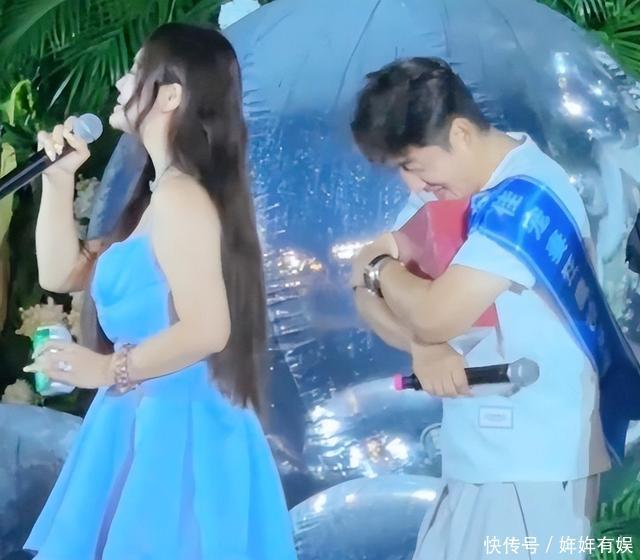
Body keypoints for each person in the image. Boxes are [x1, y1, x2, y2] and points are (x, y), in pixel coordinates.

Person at [22, 23, 297, 560]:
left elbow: (208, 329)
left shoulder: (181, 197)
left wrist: (108, 369)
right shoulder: (156, 196)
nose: (121, 83)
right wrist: (58, 182)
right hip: (141, 418)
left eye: (135, 71)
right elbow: (60, 273)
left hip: (180, 430)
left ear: (170, 95)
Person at [349, 57, 640, 559]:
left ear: (460, 133)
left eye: (413, 165)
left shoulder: (527, 196)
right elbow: (363, 295)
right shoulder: (442, 192)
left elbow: (428, 310)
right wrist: (422, 345)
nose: (411, 185)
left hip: (534, 460)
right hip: (473, 456)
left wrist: (380, 268)